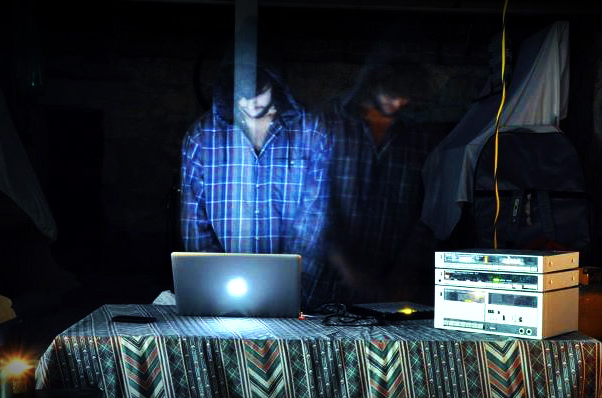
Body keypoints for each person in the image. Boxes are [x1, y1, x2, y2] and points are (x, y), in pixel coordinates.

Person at [179, 62, 330, 309]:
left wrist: (295, 291)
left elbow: (316, 221)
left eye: (259, 91)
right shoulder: (202, 137)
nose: (251, 103)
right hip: (222, 296)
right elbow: (195, 224)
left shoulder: (310, 132)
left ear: (274, 83)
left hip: (303, 296)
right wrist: (215, 290)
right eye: (242, 94)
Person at [313, 59, 452, 306]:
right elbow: (314, 204)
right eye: (391, 94)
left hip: (393, 282)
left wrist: (405, 270)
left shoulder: (420, 137)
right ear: (373, 84)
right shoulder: (333, 125)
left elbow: (429, 207)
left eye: (405, 96)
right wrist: (344, 263)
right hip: (329, 279)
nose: (398, 103)